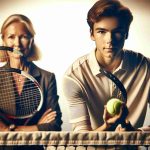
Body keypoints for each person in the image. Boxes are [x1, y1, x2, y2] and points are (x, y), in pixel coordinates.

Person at [62, 0, 150, 132]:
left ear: (126, 34)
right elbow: (82, 138)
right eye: (101, 31)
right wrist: (107, 126)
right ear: (92, 34)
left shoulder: (146, 68)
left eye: (117, 32)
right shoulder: (73, 76)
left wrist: (135, 133)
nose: (109, 39)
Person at [0, 14, 62, 149]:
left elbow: (54, 125)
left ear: (32, 40)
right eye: (11, 37)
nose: (17, 43)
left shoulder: (47, 78)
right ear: (3, 41)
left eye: (24, 36)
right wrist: (37, 126)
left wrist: (9, 129)